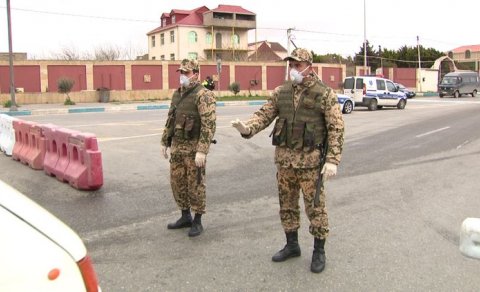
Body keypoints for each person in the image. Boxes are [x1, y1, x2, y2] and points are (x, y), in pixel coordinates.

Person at [231, 48, 344, 273]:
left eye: (297, 65)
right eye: (290, 65)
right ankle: (292, 245)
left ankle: (319, 251)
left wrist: (332, 159)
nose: (293, 69)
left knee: (315, 209)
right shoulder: (281, 91)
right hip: (284, 163)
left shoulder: (324, 93)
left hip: (311, 164)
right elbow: (264, 114)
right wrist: (247, 128)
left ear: (309, 66)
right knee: (287, 206)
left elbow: (336, 127)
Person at [161, 59, 216, 237]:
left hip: (194, 150)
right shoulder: (177, 94)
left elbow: (209, 125)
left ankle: (198, 220)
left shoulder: (203, 94)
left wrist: (202, 150)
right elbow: (171, 119)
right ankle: (185, 216)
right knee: (177, 183)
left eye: (186, 72)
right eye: (181, 73)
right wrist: (164, 141)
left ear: (196, 74)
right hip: (177, 148)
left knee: (196, 185)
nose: (183, 76)